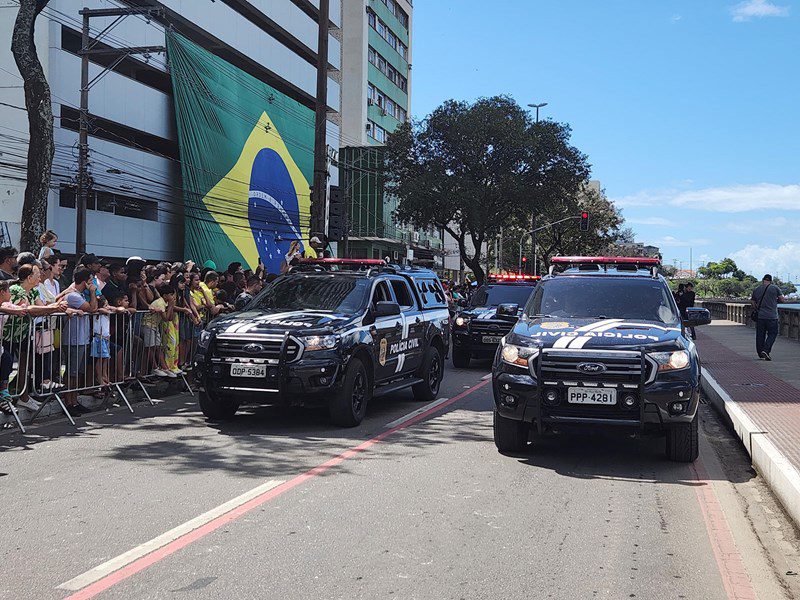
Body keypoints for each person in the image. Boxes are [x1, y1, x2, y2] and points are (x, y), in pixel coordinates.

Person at [61, 267, 98, 415]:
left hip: (82, 338)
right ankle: (68, 403)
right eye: (90, 281)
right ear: (84, 282)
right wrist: (94, 292)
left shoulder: (80, 294)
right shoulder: (73, 296)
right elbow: (92, 308)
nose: (92, 284)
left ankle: (75, 401)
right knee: (72, 372)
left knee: (78, 372)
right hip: (73, 339)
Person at [0, 281, 29, 415]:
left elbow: (10, 306)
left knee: (7, 359)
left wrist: (22, 308)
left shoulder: (6, 303)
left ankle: (3, 391)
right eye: (9, 292)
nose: (10, 294)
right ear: (3, 292)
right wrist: (16, 310)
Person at [140, 285, 175, 378]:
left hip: (155, 326)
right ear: (165, 295)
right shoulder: (160, 303)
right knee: (150, 346)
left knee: (158, 346)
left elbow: (170, 318)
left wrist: (171, 307)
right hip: (148, 325)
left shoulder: (165, 303)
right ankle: (155, 367)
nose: (173, 297)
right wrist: (171, 306)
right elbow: (166, 318)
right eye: (171, 295)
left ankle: (164, 367)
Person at [751, 274, 786, 361]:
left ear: (763, 280)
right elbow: (782, 299)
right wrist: (774, 300)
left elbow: (752, 302)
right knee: (773, 334)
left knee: (760, 335)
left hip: (760, 316)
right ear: (771, 280)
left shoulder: (757, 289)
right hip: (772, 316)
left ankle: (760, 353)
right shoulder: (775, 288)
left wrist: (757, 308)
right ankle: (766, 350)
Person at [91, 295, 112, 391]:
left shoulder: (105, 312)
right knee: (100, 359)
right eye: (106, 305)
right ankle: (99, 378)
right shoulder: (99, 311)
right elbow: (104, 310)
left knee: (106, 358)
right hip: (99, 338)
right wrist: (107, 309)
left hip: (106, 338)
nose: (108, 306)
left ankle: (105, 375)